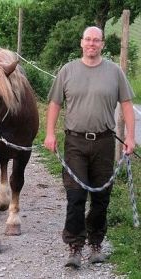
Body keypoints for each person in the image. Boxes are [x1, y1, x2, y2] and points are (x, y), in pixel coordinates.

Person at [44, 26, 135, 268]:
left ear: (102, 44)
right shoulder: (68, 71)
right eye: (88, 39)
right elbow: (54, 104)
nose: (92, 44)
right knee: (75, 196)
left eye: (96, 40)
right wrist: (50, 133)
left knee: (100, 197)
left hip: (105, 142)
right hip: (75, 142)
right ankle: (74, 247)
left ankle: (96, 243)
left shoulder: (114, 72)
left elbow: (126, 105)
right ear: (81, 43)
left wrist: (131, 137)